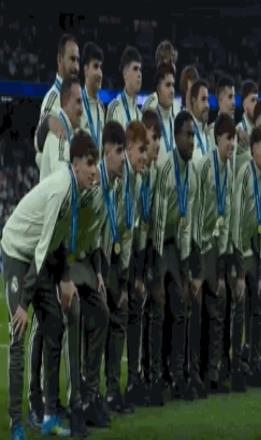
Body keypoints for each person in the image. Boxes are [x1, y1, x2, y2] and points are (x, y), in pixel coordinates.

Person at [2, 131, 97, 440]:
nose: (94, 171)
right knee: (18, 331)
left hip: (37, 257)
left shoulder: (75, 190)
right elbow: (43, 247)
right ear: (76, 163)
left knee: (54, 325)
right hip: (18, 250)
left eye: (95, 164)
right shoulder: (61, 188)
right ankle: (16, 423)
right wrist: (23, 303)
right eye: (90, 164)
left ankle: (49, 416)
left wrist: (65, 278)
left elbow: (57, 241)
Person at [75, 121, 126, 428]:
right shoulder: (95, 184)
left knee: (101, 316)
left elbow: (98, 235)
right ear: (107, 151)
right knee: (88, 318)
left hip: (92, 258)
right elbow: (79, 228)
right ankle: (80, 398)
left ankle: (89, 395)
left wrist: (99, 272)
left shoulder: (113, 186)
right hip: (71, 256)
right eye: (119, 151)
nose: (123, 158)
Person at [151, 111, 198, 400]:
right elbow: (157, 223)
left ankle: (178, 375)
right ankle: (155, 377)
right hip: (155, 245)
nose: (192, 141)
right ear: (176, 136)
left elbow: (186, 224)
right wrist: (156, 276)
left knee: (180, 307)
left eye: (194, 135)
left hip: (174, 246)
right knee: (157, 311)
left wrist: (185, 270)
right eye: (188, 135)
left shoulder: (191, 174)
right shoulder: (165, 168)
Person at [103, 121, 147, 413]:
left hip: (119, 260)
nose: (145, 156)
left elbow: (129, 232)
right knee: (107, 321)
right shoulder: (120, 180)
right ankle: (103, 393)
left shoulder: (137, 181)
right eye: (141, 150)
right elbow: (111, 229)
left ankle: (111, 391)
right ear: (128, 148)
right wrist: (115, 279)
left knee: (119, 319)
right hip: (103, 256)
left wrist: (127, 276)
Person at [191, 113, 235, 394]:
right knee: (199, 313)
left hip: (216, 247)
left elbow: (227, 214)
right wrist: (196, 261)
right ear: (217, 138)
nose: (232, 144)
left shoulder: (229, 168)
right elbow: (195, 211)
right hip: (199, 245)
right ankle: (195, 373)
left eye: (234, 139)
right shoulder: (205, 166)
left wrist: (222, 259)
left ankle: (214, 371)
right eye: (228, 138)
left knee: (218, 308)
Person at [230, 126, 261, 390]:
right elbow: (235, 222)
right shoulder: (244, 174)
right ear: (253, 148)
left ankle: (255, 363)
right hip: (237, 250)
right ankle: (236, 367)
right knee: (239, 304)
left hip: (255, 252)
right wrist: (239, 271)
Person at [125, 110, 161, 407]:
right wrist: (135, 273)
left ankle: (141, 377)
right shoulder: (134, 175)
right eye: (151, 138)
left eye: (158, 138)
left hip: (143, 252)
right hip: (124, 254)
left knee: (141, 314)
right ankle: (126, 381)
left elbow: (150, 225)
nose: (155, 145)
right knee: (124, 315)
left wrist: (146, 269)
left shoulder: (152, 174)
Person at [34, 33, 79, 168]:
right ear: (60, 59)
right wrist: (48, 122)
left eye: (78, 60)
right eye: (72, 59)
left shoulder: (78, 97)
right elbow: (37, 143)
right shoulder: (52, 97)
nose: (76, 66)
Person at [39, 77, 83, 180]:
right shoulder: (57, 133)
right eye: (78, 102)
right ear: (66, 102)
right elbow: (62, 179)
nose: (82, 109)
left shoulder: (69, 133)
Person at [107, 46, 143, 129]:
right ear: (125, 74)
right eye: (135, 69)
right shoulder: (115, 108)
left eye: (140, 69)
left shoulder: (140, 115)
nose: (139, 74)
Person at [142, 40, 181, 116]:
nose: (173, 66)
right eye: (170, 61)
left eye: (173, 62)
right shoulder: (150, 105)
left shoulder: (177, 106)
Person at [80, 42, 106, 154]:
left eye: (101, 67)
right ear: (85, 70)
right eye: (95, 66)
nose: (100, 73)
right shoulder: (77, 103)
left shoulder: (101, 108)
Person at [153, 63, 177, 166]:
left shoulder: (177, 123)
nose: (172, 90)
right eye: (167, 85)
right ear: (158, 89)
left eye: (173, 85)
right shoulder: (150, 123)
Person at [234, 79, 259, 175]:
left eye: (257, 100)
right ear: (244, 105)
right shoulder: (237, 131)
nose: (256, 104)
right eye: (253, 100)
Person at [208, 75, 236, 147]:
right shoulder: (211, 132)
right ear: (220, 100)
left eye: (234, 97)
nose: (234, 102)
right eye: (230, 97)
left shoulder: (237, 131)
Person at [189, 79, 211, 169]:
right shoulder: (186, 132)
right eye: (203, 99)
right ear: (194, 101)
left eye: (208, 100)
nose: (207, 105)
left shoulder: (207, 134)